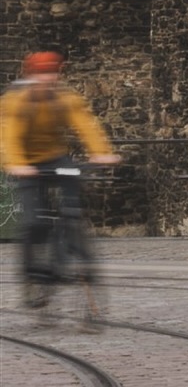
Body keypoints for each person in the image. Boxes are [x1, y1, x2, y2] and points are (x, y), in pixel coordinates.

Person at [0, 50, 119, 301]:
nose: (48, 78)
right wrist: (17, 164)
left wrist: (101, 152)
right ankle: (31, 272)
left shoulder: (65, 97)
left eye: (53, 72)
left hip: (56, 157)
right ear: (32, 75)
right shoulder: (17, 100)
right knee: (34, 221)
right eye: (43, 73)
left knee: (71, 208)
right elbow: (9, 135)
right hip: (26, 161)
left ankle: (62, 260)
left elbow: (85, 124)